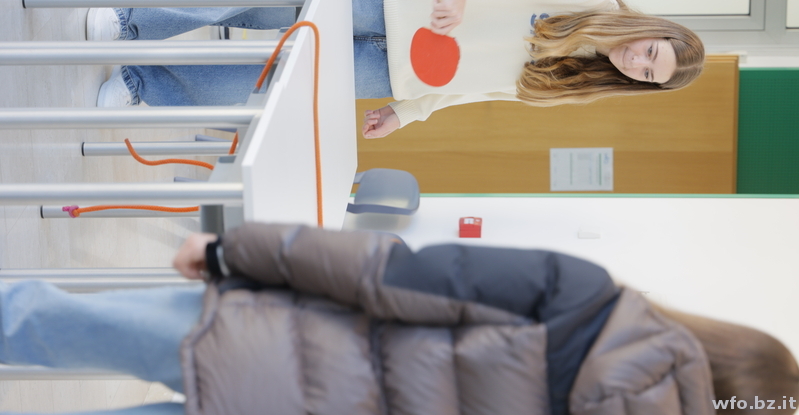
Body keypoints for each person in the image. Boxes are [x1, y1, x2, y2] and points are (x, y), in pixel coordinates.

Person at [1, 222, 797, 415]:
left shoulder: (584, 299)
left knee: (35, 321)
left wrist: (228, 249)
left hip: (262, 338)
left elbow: (386, 273)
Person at [87, 0, 705, 139]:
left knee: (264, 82)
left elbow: (477, 88)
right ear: (652, 28)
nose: (637, 62)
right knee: (260, 6)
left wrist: (408, 114)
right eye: (651, 51)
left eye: (648, 74)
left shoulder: (574, 84)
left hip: (393, 73)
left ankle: (144, 85)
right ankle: (131, 22)